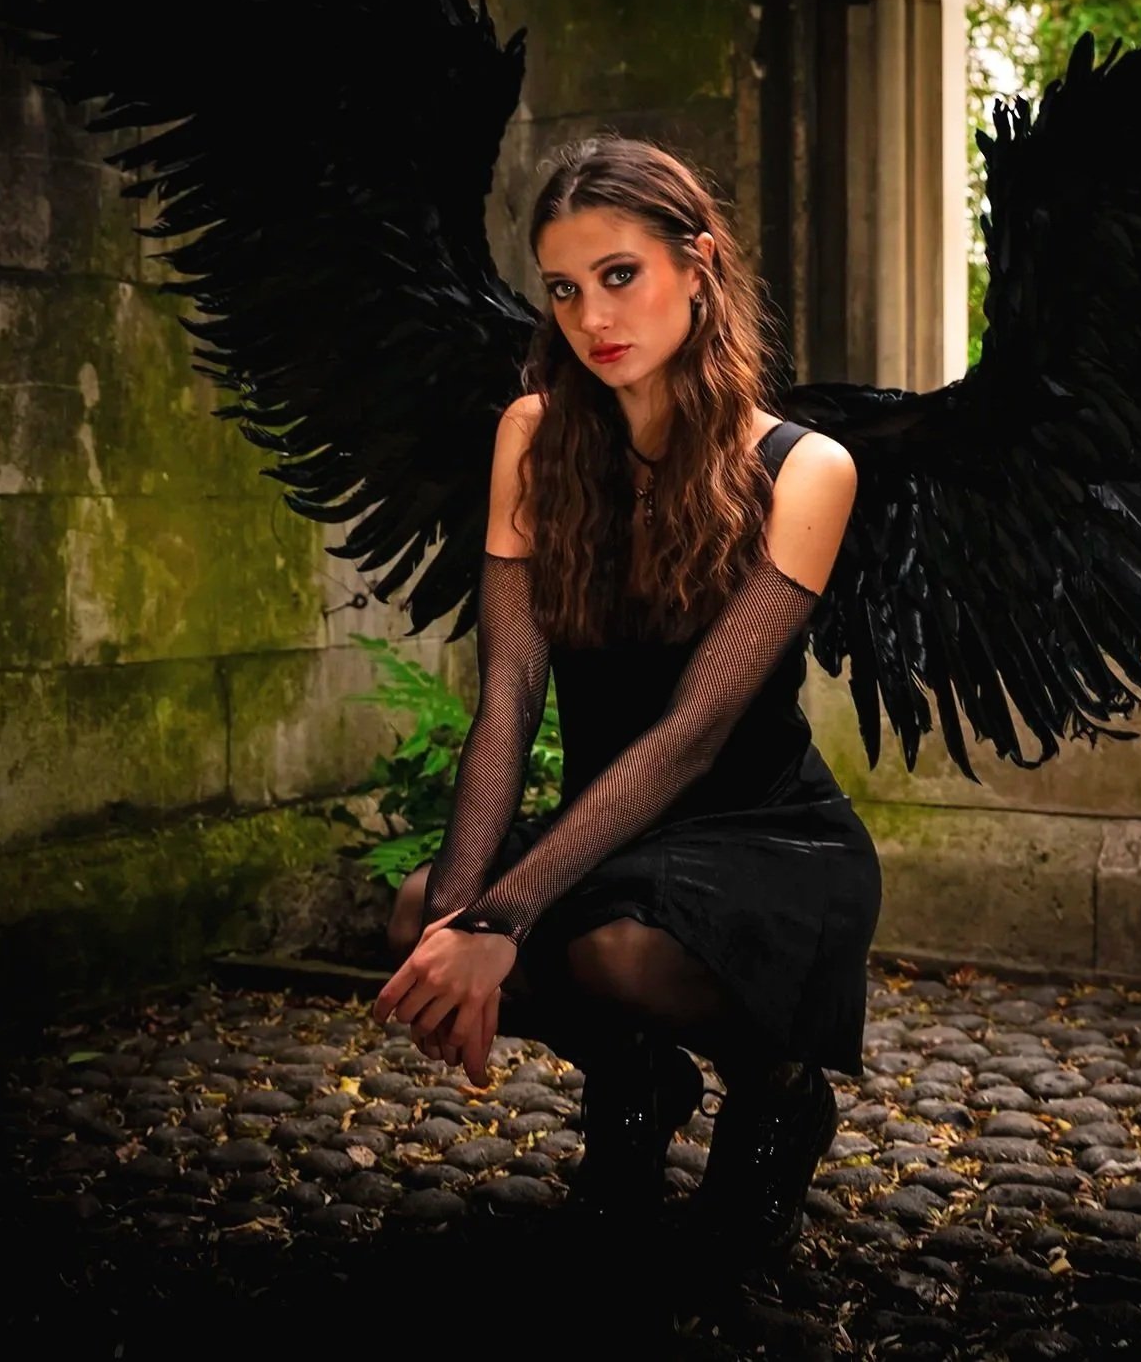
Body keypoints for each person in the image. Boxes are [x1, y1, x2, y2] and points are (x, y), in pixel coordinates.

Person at [372, 134, 880, 1260]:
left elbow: (693, 734)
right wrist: (461, 920)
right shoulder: (534, 435)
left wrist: (507, 919)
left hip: (759, 827)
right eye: (562, 287)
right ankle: (637, 1082)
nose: (592, 315)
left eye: (620, 275)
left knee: (610, 955)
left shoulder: (804, 467)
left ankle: (779, 1091)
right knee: (416, 915)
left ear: (697, 264)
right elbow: (506, 691)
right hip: (612, 823)